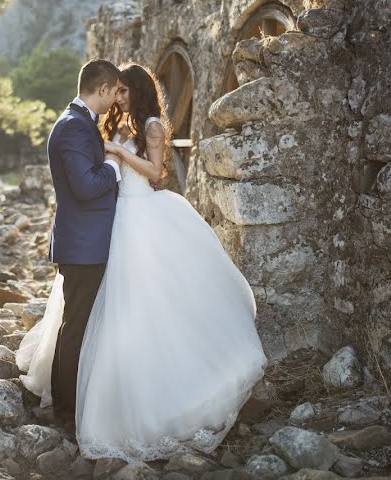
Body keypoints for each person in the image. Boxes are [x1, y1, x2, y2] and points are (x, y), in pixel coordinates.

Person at [17, 62, 267, 461]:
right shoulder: (103, 124)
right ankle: (86, 397)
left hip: (140, 217)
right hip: (112, 226)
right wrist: (114, 152)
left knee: (147, 303)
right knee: (100, 313)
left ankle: (147, 392)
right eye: (114, 91)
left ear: (134, 90)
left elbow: (155, 172)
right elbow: (89, 179)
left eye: (123, 91)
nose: (118, 98)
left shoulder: (149, 124)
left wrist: (116, 154)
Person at [25, 59, 123, 432]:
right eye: (114, 92)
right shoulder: (75, 128)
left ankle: (68, 407)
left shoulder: (79, 124)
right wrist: (114, 165)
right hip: (84, 246)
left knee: (74, 327)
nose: (115, 100)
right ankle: (66, 413)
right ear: (102, 89)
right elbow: (84, 187)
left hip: (84, 242)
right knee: (76, 329)